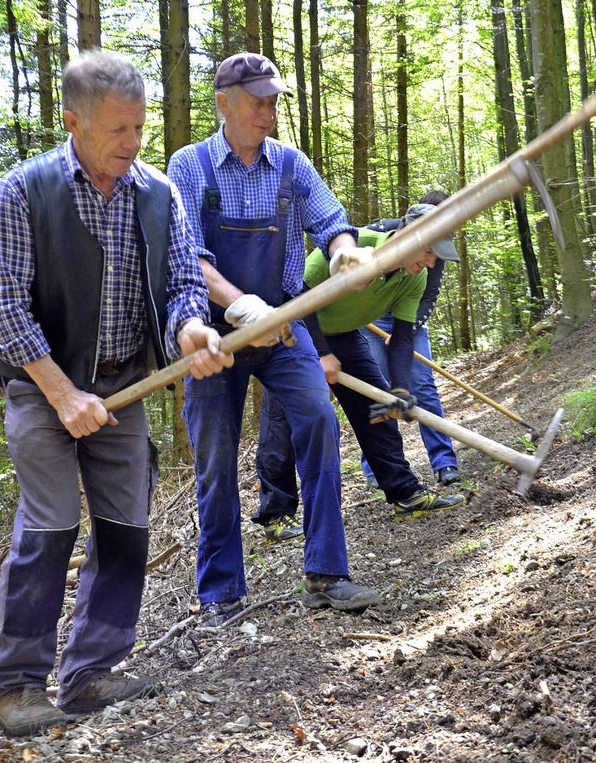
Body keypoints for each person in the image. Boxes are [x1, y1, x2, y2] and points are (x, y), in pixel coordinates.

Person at [0, 49, 233, 738]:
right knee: (51, 525)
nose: (134, 143)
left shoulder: (159, 194)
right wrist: (63, 395)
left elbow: (185, 282)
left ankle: (92, 670)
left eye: (140, 127)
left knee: (126, 531)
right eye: (118, 130)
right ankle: (16, 683)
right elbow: (3, 308)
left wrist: (188, 330)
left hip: (125, 386)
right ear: (73, 123)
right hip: (42, 387)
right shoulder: (25, 191)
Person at [166, 51, 379, 626]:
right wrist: (238, 304)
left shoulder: (290, 164)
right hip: (210, 338)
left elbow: (331, 223)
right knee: (214, 455)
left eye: (273, 101)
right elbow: (186, 257)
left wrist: (343, 252)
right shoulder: (189, 166)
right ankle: (221, 593)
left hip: (284, 329)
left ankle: (327, 572)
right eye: (257, 101)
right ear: (224, 103)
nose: (268, 111)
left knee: (318, 419)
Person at [254, 203, 466, 524]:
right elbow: (295, 295)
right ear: (407, 237)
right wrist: (320, 353)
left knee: (377, 404)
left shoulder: (415, 278)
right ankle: (275, 514)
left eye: (436, 256)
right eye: (428, 251)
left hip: (342, 332)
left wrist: (399, 388)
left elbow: (404, 337)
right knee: (283, 421)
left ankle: (404, 492)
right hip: (294, 328)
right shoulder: (351, 247)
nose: (431, 262)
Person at [362, 190, 462, 488]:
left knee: (422, 387)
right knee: (377, 389)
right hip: (371, 318)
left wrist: (408, 329)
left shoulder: (437, 249)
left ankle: (444, 463)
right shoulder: (381, 232)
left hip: (410, 318)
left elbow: (429, 295)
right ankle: (377, 468)